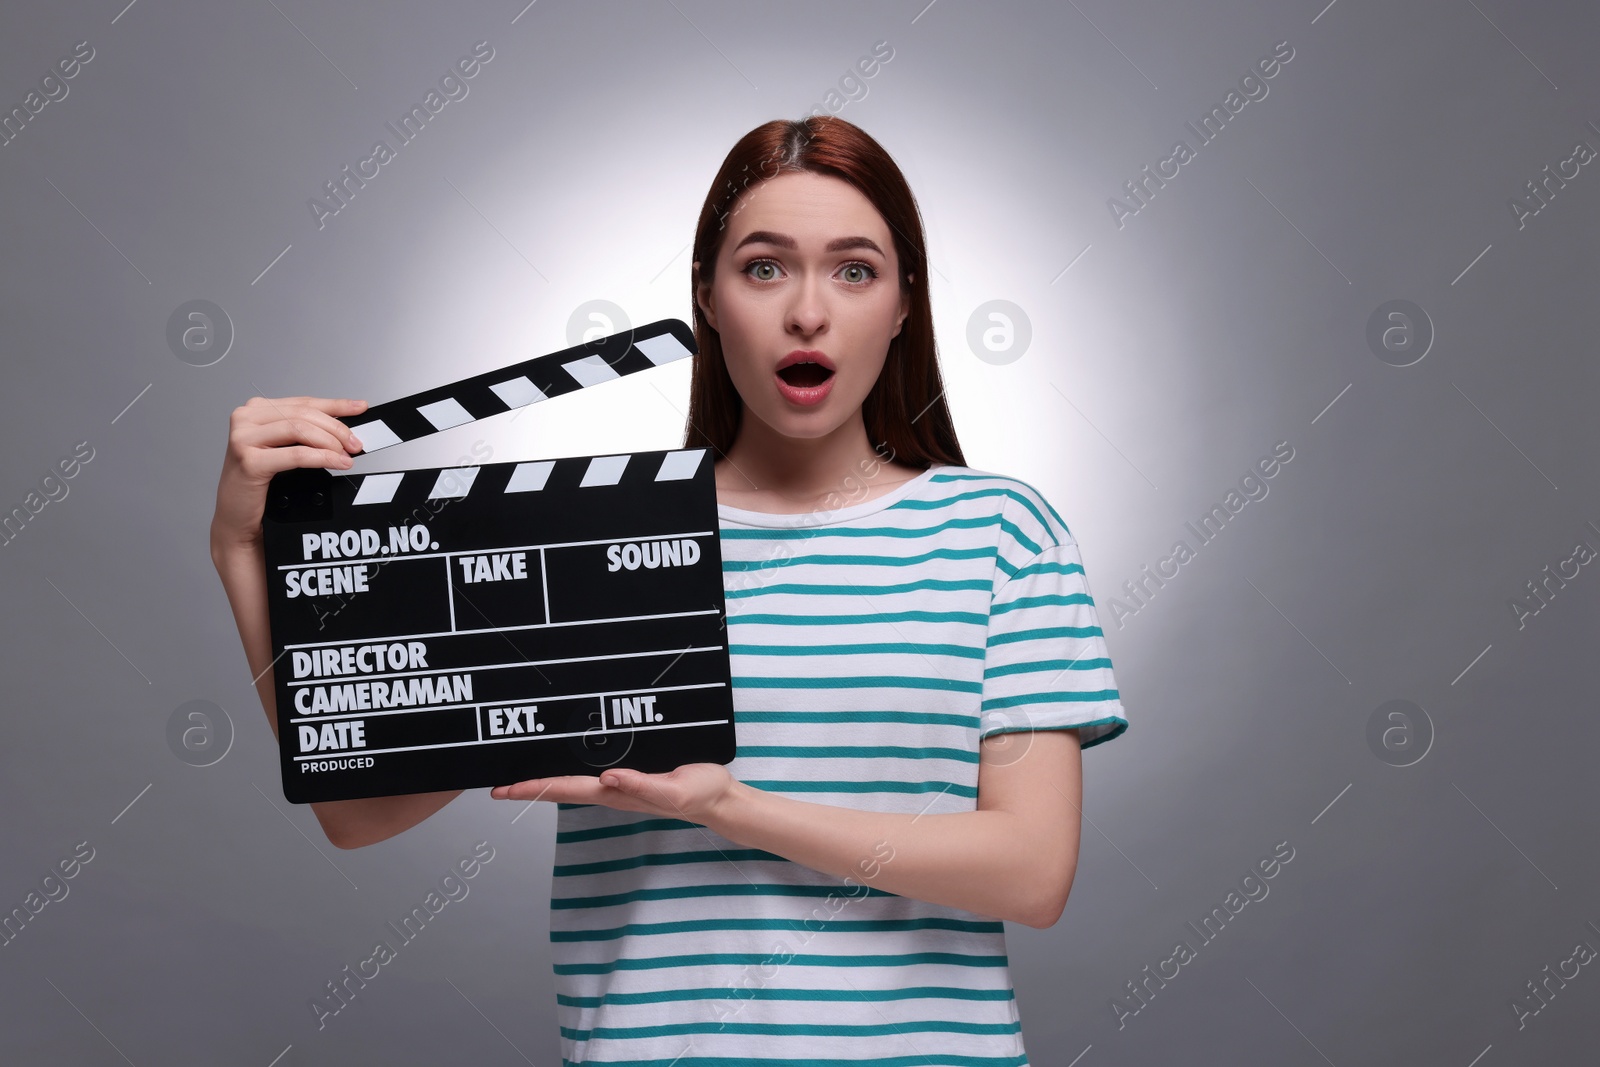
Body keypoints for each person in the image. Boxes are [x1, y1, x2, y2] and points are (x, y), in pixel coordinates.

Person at [210, 115, 1127, 1065]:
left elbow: (1030, 871)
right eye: (764, 267)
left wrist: (729, 807)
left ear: (903, 305)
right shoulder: (593, 540)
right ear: (708, 301)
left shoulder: (1000, 534)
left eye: (854, 270)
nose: (808, 312)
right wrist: (241, 547)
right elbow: (357, 811)